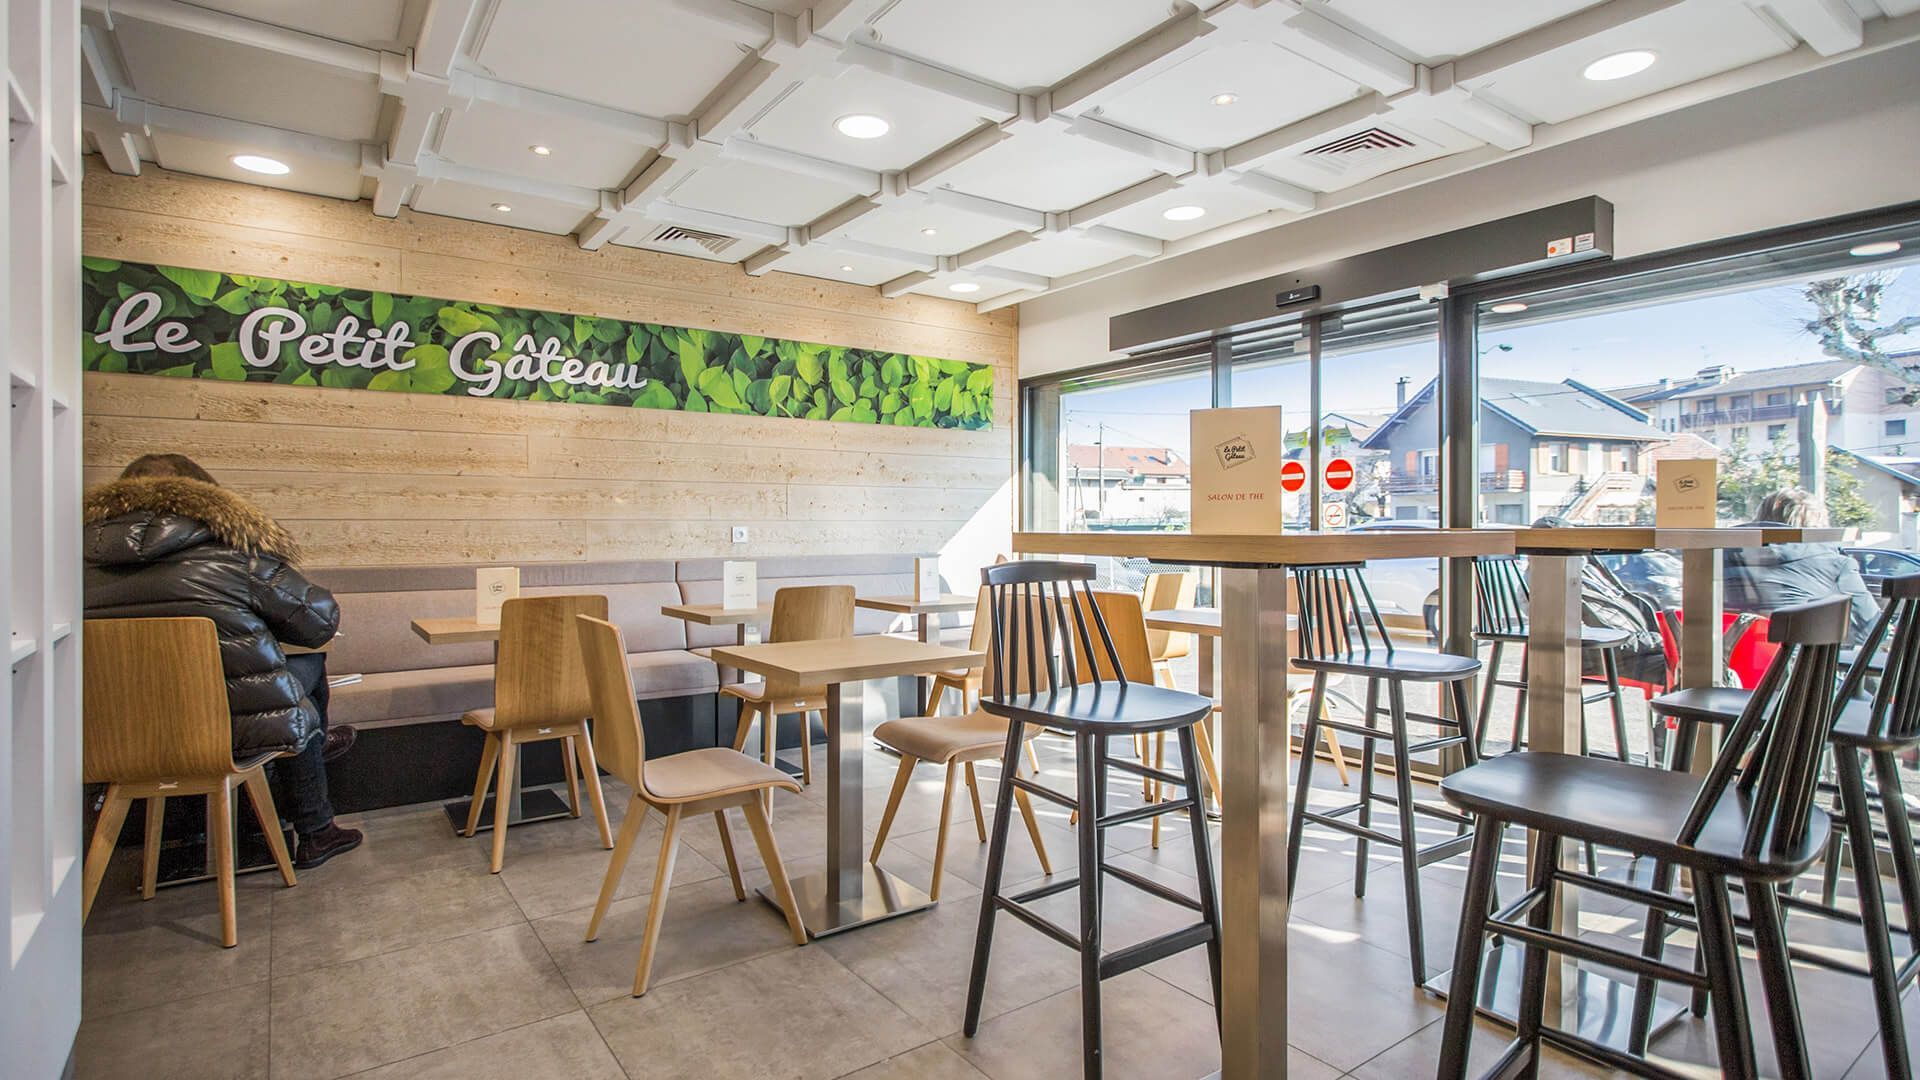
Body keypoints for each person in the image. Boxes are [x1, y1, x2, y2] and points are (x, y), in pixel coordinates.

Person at [84, 453, 363, 868]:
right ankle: (315, 822)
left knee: (287, 690)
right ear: (205, 497)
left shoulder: (75, 564)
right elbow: (319, 621)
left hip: (112, 735)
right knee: (306, 670)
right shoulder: (233, 556)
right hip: (234, 725)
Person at [1726, 488, 1879, 646]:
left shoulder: (1716, 559)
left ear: (1759, 519)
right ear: (1818, 527)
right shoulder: (1835, 566)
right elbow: (1871, 632)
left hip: (1725, 666)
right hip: (1802, 667)